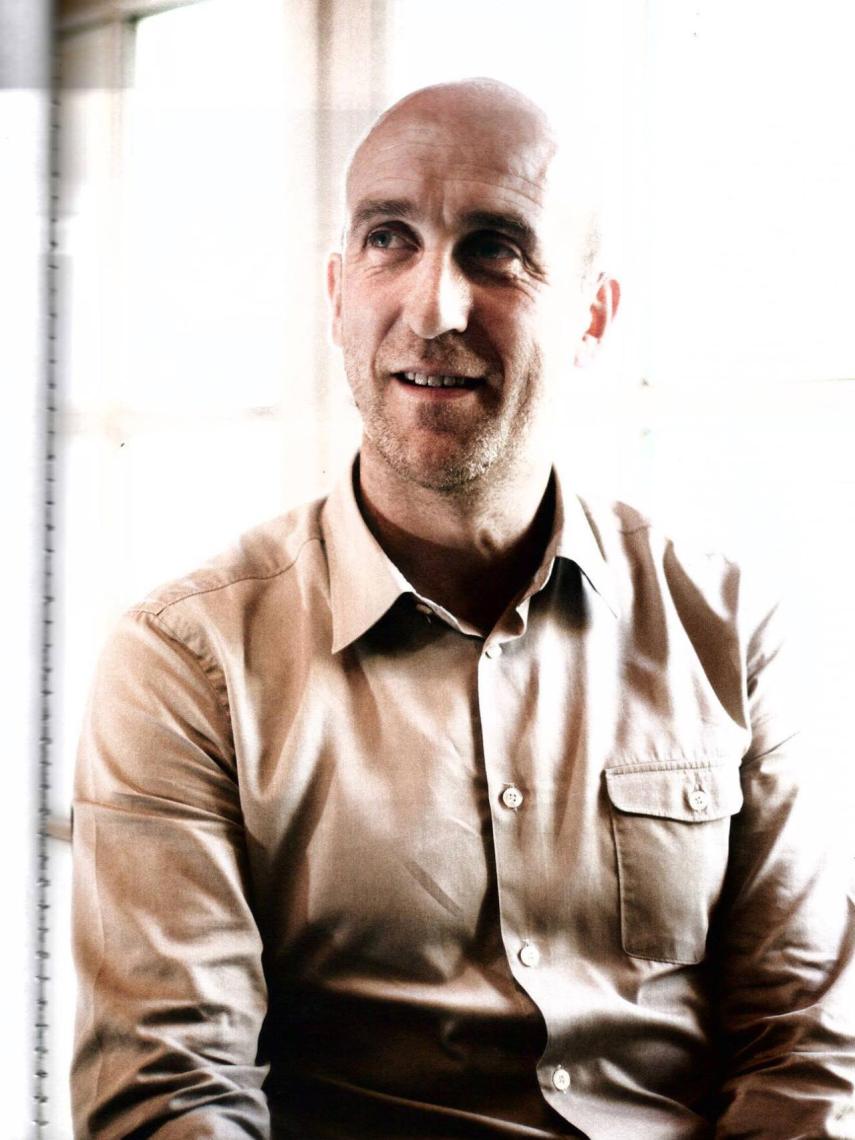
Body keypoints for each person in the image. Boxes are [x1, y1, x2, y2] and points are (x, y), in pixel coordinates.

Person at [71, 79, 855, 1139]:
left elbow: (806, 1052)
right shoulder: (184, 663)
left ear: (591, 315)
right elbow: (175, 1097)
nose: (435, 308)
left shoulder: (729, 631)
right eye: (388, 239)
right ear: (338, 293)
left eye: (496, 249)